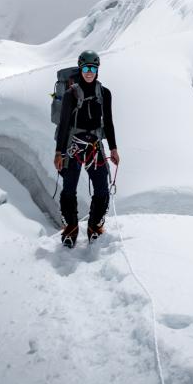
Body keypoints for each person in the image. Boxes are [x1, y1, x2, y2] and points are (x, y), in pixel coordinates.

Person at [53, 49, 119, 247]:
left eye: (92, 68)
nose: (89, 72)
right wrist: (59, 152)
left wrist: (113, 149)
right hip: (72, 145)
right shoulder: (70, 94)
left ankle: (94, 227)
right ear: (80, 69)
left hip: (94, 145)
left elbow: (108, 122)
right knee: (69, 188)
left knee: (101, 188)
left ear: (97, 70)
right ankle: (71, 229)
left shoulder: (104, 93)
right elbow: (64, 124)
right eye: (86, 68)